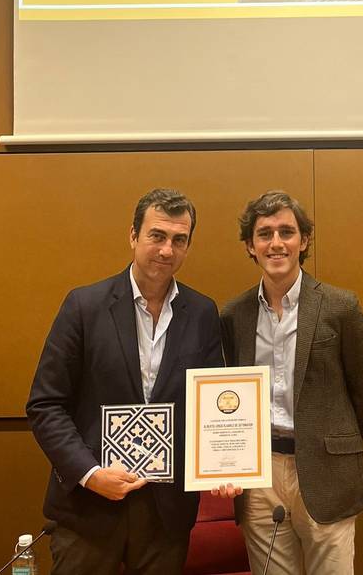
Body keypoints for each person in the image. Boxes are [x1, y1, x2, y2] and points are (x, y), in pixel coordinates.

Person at [27, 187, 223, 575]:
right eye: (157, 236)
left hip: (165, 515)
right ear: (133, 236)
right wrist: (90, 473)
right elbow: (45, 405)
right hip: (89, 508)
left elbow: (213, 408)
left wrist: (227, 465)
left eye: (178, 240)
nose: (167, 250)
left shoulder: (202, 313)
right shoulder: (84, 306)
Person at [220, 190, 363, 575]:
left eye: (286, 232)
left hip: (326, 471)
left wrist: (331, 441)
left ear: (304, 240)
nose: (276, 243)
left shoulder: (341, 307)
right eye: (264, 234)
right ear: (250, 246)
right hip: (259, 476)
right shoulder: (233, 315)